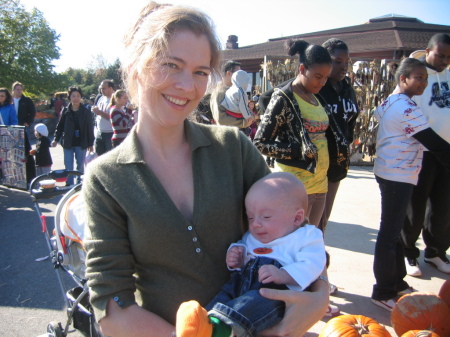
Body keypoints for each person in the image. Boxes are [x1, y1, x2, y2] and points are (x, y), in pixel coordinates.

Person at [83, 3, 329, 337]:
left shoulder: (233, 148)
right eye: (172, 65)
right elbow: (112, 306)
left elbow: (294, 229)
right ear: (136, 66)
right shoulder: (106, 178)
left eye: (200, 71)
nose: (187, 86)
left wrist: (318, 293)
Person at [175, 172, 327, 337]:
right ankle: (202, 323)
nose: (256, 224)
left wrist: (284, 274)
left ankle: (221, 331)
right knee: (225, 294)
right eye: (251, 217)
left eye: (266, 217)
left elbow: (313, 264)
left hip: (274, 294)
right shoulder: (253, 236)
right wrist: (237, 257)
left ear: (297, 218)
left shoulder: (306, 236)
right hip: (240, 284)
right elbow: (245, 253)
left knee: (257, 300)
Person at [371, 58, 450, 311]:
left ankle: (397, 283)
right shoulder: (406, 109)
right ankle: (383, 291)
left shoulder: (391, 101)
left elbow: (378, 116)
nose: (424, 83)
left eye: (425, 78)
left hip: (391, 171)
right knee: (389, 235)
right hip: (397, 176)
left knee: (393, 234)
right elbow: (434, 143)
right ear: (402, 78)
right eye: (418, 77)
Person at [254, 39, 349, 228]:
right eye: (318, 76)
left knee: (310, 243)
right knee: (292, 245)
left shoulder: (316, 97)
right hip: (295, 188)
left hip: (320, 184)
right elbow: (261, 143)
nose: (322, 82)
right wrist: (299, 151)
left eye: (325, 77)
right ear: (302, 69)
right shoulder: (284, 99)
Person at [401, 33, 450, 277]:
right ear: (428, 50)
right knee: (415, 206)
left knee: (443, 207)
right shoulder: (416, 75)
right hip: (422, 151)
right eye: (440, 55)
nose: (444, 60)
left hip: (447, 153)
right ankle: (408, 253)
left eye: (448, 57)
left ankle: (436, 251)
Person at [317, 38, 358, 233]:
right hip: (314, 164)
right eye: (337, 61)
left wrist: (346, 141)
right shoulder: (315, 87)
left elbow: (350, 120)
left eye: (346, 62)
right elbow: (270, 99)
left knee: (323, 219)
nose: (343, 67)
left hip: (336, 164)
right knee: (309, 220)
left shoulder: (348, 89)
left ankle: (317, 259)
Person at [52, 86, 94, 185]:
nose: (76, 98)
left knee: (80, 166)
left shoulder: (86, 111)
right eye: (73, 96)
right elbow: (60, 126)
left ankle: (80, 184)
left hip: (81, 142)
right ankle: (69, 184)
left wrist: (90, 143)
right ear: (69, 97)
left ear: (81, 97)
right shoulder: (66, 111)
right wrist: (56, 139)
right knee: (68, 166)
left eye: (78, 96)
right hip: (68, 142)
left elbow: (90, 128)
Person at [210, 60, 254, 132]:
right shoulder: (219, 92)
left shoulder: (237, 90)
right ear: (229, 73)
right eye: (238, 73)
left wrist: (251, 116)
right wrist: (244, 122)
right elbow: (221, 119)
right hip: (228, 136)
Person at [12, 81, 36, 184]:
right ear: (13, 90)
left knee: (25, 148)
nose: (19, 91)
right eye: (17, 89)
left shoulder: (26, 100)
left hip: (23, 126)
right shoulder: (10, 100)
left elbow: (33, 112)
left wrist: (28, 122)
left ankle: (27, 172)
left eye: (20, 89)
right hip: (12, 126)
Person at [219, 70, 254, 134]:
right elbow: (243, 106)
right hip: (237, 113)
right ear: (243, 81)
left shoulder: (229, 90)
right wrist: (249, 116)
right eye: (247, 83)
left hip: (228, 112)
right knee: (246, 129)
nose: (247, 85)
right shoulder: (241, 91)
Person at [92, 79, 115, 155]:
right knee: (99, 156)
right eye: (101, 88)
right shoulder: (101, 98)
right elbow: (98, 112)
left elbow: (115, 118)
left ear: (111, 88)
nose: (102, 90)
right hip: (100, 132)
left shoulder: (116, 100)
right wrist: (95, 110)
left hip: (110, 133)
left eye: (104, 88)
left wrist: (101, 113)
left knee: (111, 157)